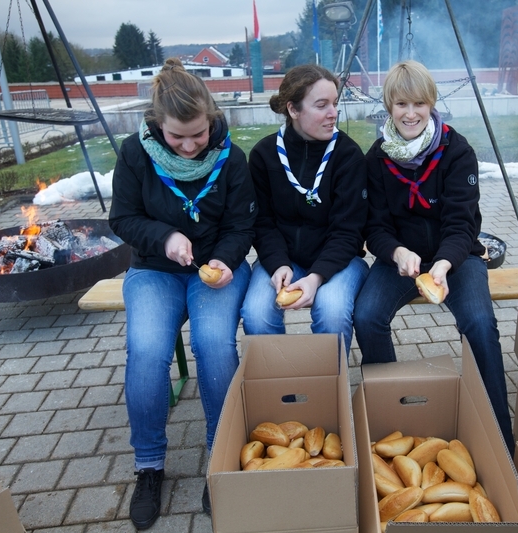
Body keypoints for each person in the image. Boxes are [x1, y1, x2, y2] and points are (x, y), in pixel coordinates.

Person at [109, 58, 256, 528]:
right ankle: (149, 465)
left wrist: (226, 260)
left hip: (216, 270)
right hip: (155, 269)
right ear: (158, 124)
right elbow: (122, 218)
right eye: (178, 137)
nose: (191, 146)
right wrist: (165, 237)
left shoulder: (231, 157)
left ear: (211, 119)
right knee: (147, 351)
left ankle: (220, 455)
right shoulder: (135, 153)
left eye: (199, 134)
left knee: (214, 345)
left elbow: (242, 225)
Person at [353, 60, 515, 455]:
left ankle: (499, 437)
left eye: (419, 104)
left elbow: (462, 224)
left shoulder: (456, 151)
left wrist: (443, 263)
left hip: (455, 259)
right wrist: (396, 252)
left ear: (432, 104)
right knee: (368, 316)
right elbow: (374, 227)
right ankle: (392, 417)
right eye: (401, 104)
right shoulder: (376, 159)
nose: (410, 114)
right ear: (389, 107)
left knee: (480, 323)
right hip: (401, 261)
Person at [240, 64, 368, 357]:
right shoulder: (264, 155)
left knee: (332, 311)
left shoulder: (347, 155)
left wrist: (316, 276)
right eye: (321, 105)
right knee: (257, 314)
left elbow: (349, 230)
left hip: (339, 262)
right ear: (293, 109)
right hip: (283, 259)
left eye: (334, 103)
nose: (333, 113)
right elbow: (261, 222)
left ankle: (328, 383)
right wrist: (277, 264)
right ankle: (281, 382)